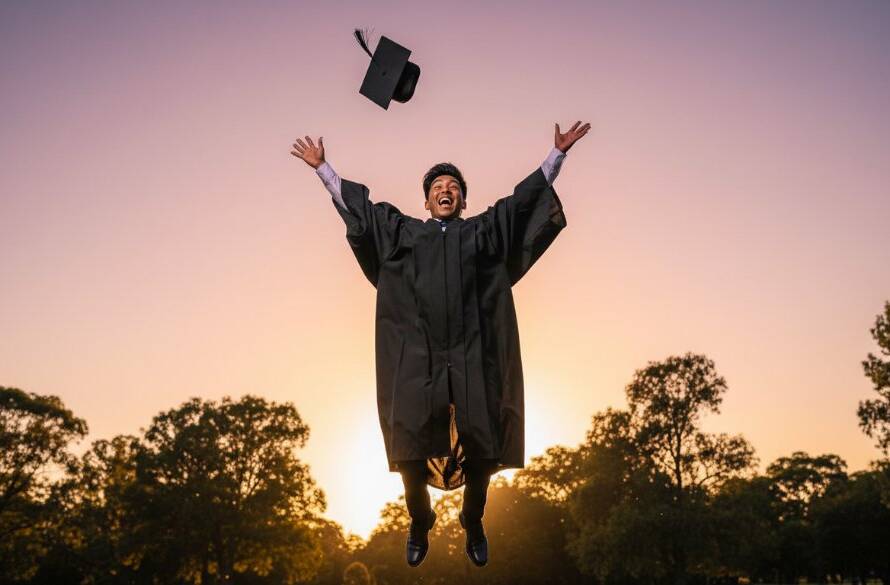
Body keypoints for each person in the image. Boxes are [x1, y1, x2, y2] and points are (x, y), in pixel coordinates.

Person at [290, 121, 590, 567]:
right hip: (419, 356)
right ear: (427, 200)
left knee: (484, 438)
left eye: (453, 187)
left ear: (463, 200)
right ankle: (419, 518)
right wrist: (324, 170)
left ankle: (473, 519)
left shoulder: (482, 232)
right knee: (408, 438)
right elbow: (365, 213)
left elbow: (519, 205)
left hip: (471, 353)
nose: (445, 190)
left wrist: (556, 157)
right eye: (437, 186)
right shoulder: (406, 233)